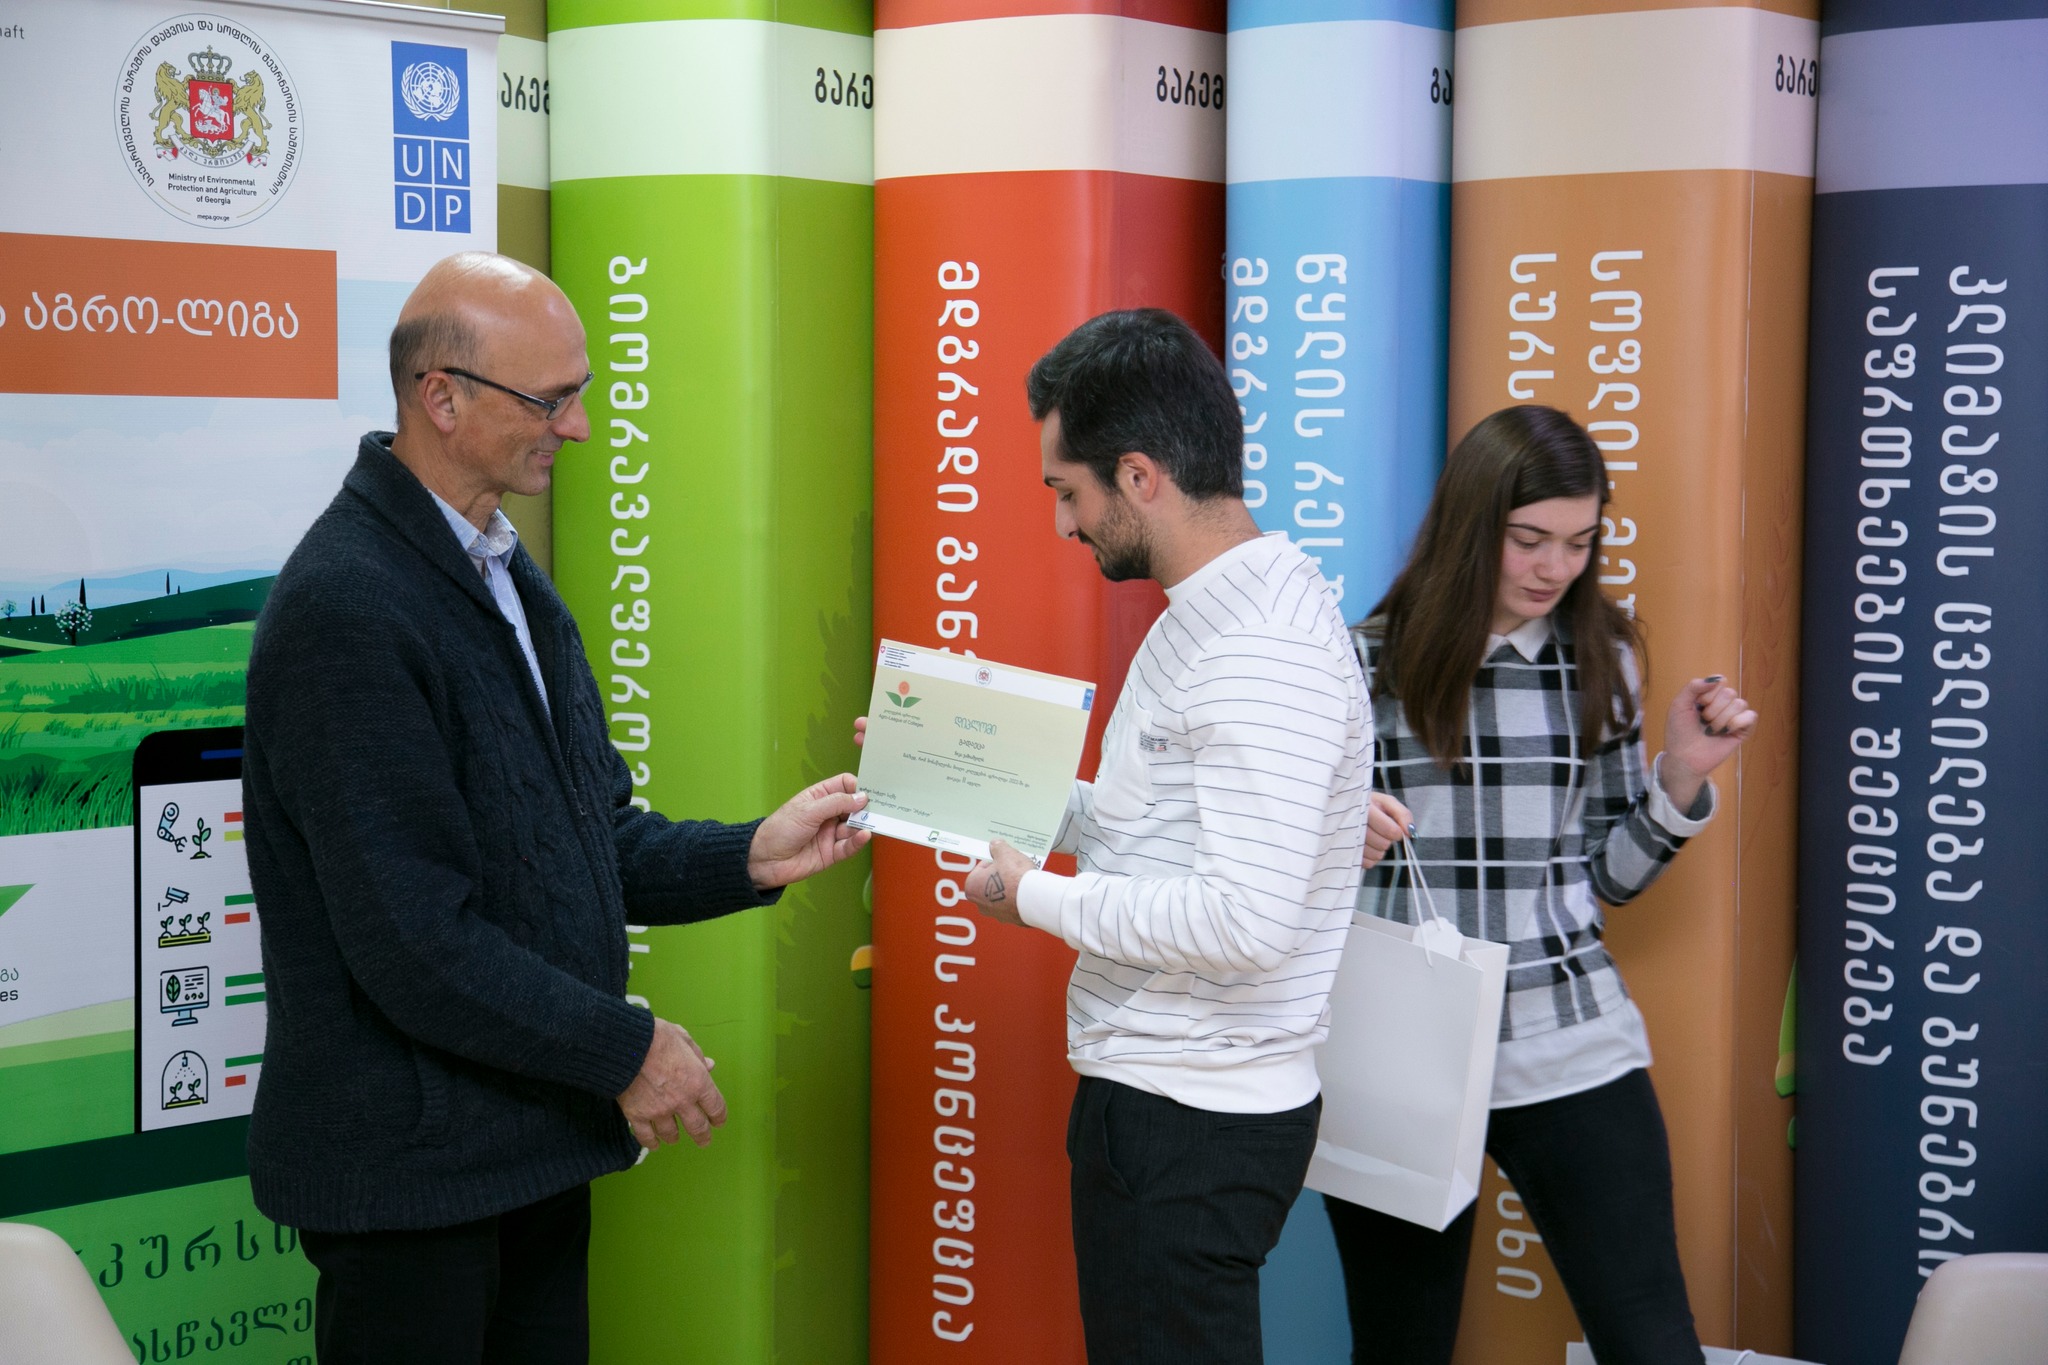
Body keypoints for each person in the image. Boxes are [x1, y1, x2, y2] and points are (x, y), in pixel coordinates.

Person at [241, 251, 870, 1364]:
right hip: (412, 1190)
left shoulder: (504, 573)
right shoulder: (347, 607)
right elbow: (412, 941)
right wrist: (625, 1049)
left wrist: (750, 856)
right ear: (441, 397)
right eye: (550, 400)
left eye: (578, 393)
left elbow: (587, 836)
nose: (576, 428)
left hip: (528, 1151)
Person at [962, 308, 1377, 1363]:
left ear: (1139, 476)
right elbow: (1147, 826)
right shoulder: (1215, 613)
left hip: (1186, 1118)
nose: (1064, 524)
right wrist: (952, 769)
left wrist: (1032, 897)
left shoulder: (1257, 646)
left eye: (1068, 491)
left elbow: (1243, 922)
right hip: (1170, 1102)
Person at [1326, 405, 1756, 1365]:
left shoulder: (1605, 655)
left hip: (1567, 1035)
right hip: (1399, 1047)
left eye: (1578, 541)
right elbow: (1296, 862)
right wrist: (1338, 830)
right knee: (1400, 1348)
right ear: (1473, 524)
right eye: (1529, 539)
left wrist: (1680, 778)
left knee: (1651, 1338)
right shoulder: (1363, 659)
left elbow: (1611, 876)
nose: (1554, 566)